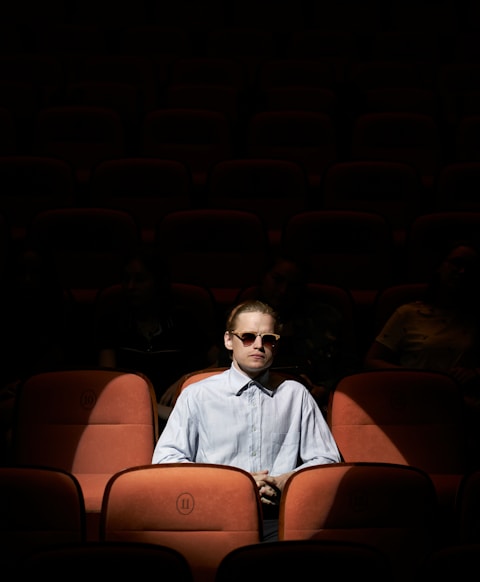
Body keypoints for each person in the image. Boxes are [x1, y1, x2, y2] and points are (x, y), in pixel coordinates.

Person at [152, 299, 342, 541]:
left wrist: (287, 481)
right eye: (249, 336)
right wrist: (237, 484)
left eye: (269, 339)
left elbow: (326, 459)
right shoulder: (198, 395)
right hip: (213, 518)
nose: (259, 346)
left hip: (282, 518)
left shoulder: (296, 394)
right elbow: (166, 461)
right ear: (228, 341)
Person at [363, 239, 480, 466]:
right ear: (440, 266)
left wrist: (475, 373)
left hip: (463, 406)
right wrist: (419, 378)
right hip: (415, 400)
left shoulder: (475, 319)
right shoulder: (409, 313)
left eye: (470, 267)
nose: (462, 271)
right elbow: (372, 361)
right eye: (456, 263)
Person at [94, 244, 216, 429]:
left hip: (179, 416)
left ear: (158, 282)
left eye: (140, 279)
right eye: (126, 279)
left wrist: (188, 380)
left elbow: (220, 362)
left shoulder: (183, 321)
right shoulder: (112, 322)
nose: (131, 286)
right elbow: (109, 381)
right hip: (127, 416)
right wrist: (152, 408)